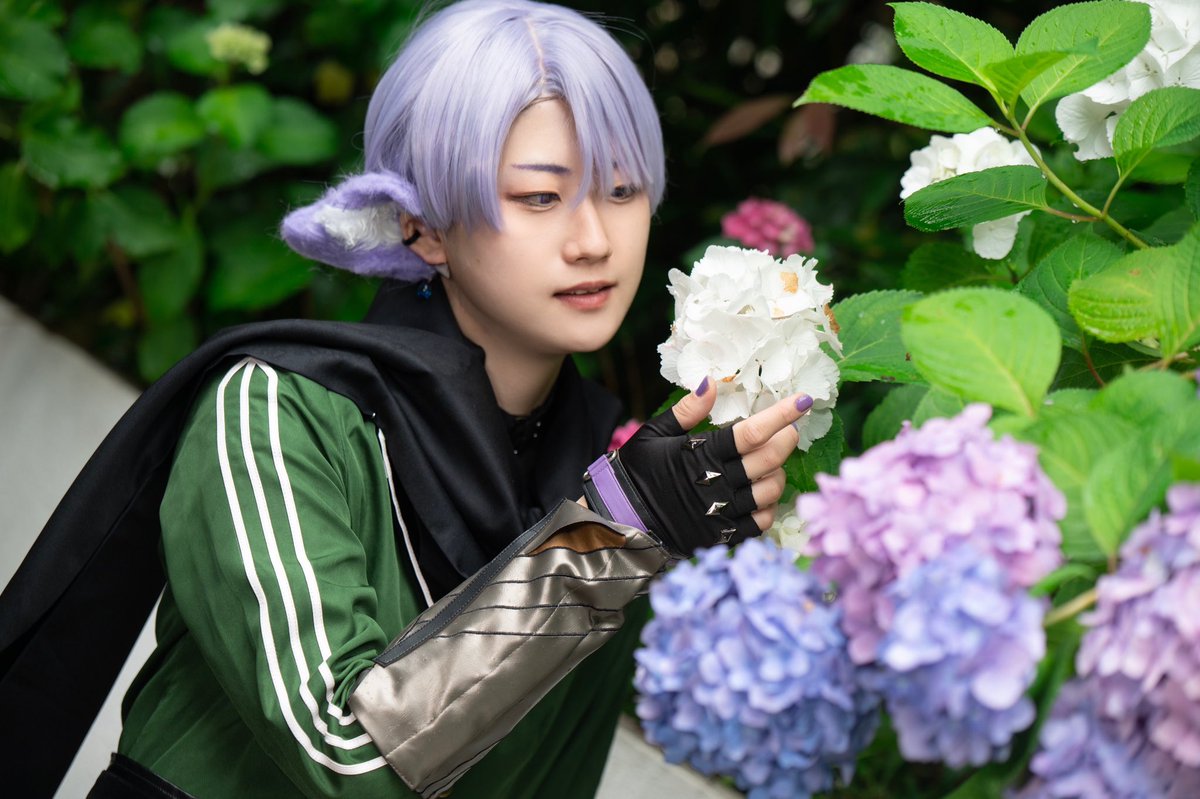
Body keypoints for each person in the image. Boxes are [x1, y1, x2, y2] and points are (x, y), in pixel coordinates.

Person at [0, 1, 810, 796]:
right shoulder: (276, 414)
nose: (594, 239)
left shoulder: (611, 474)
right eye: (539, 196)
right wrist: (605, 541)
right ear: (422, 226)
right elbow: (346, 753)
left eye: (623, 189)